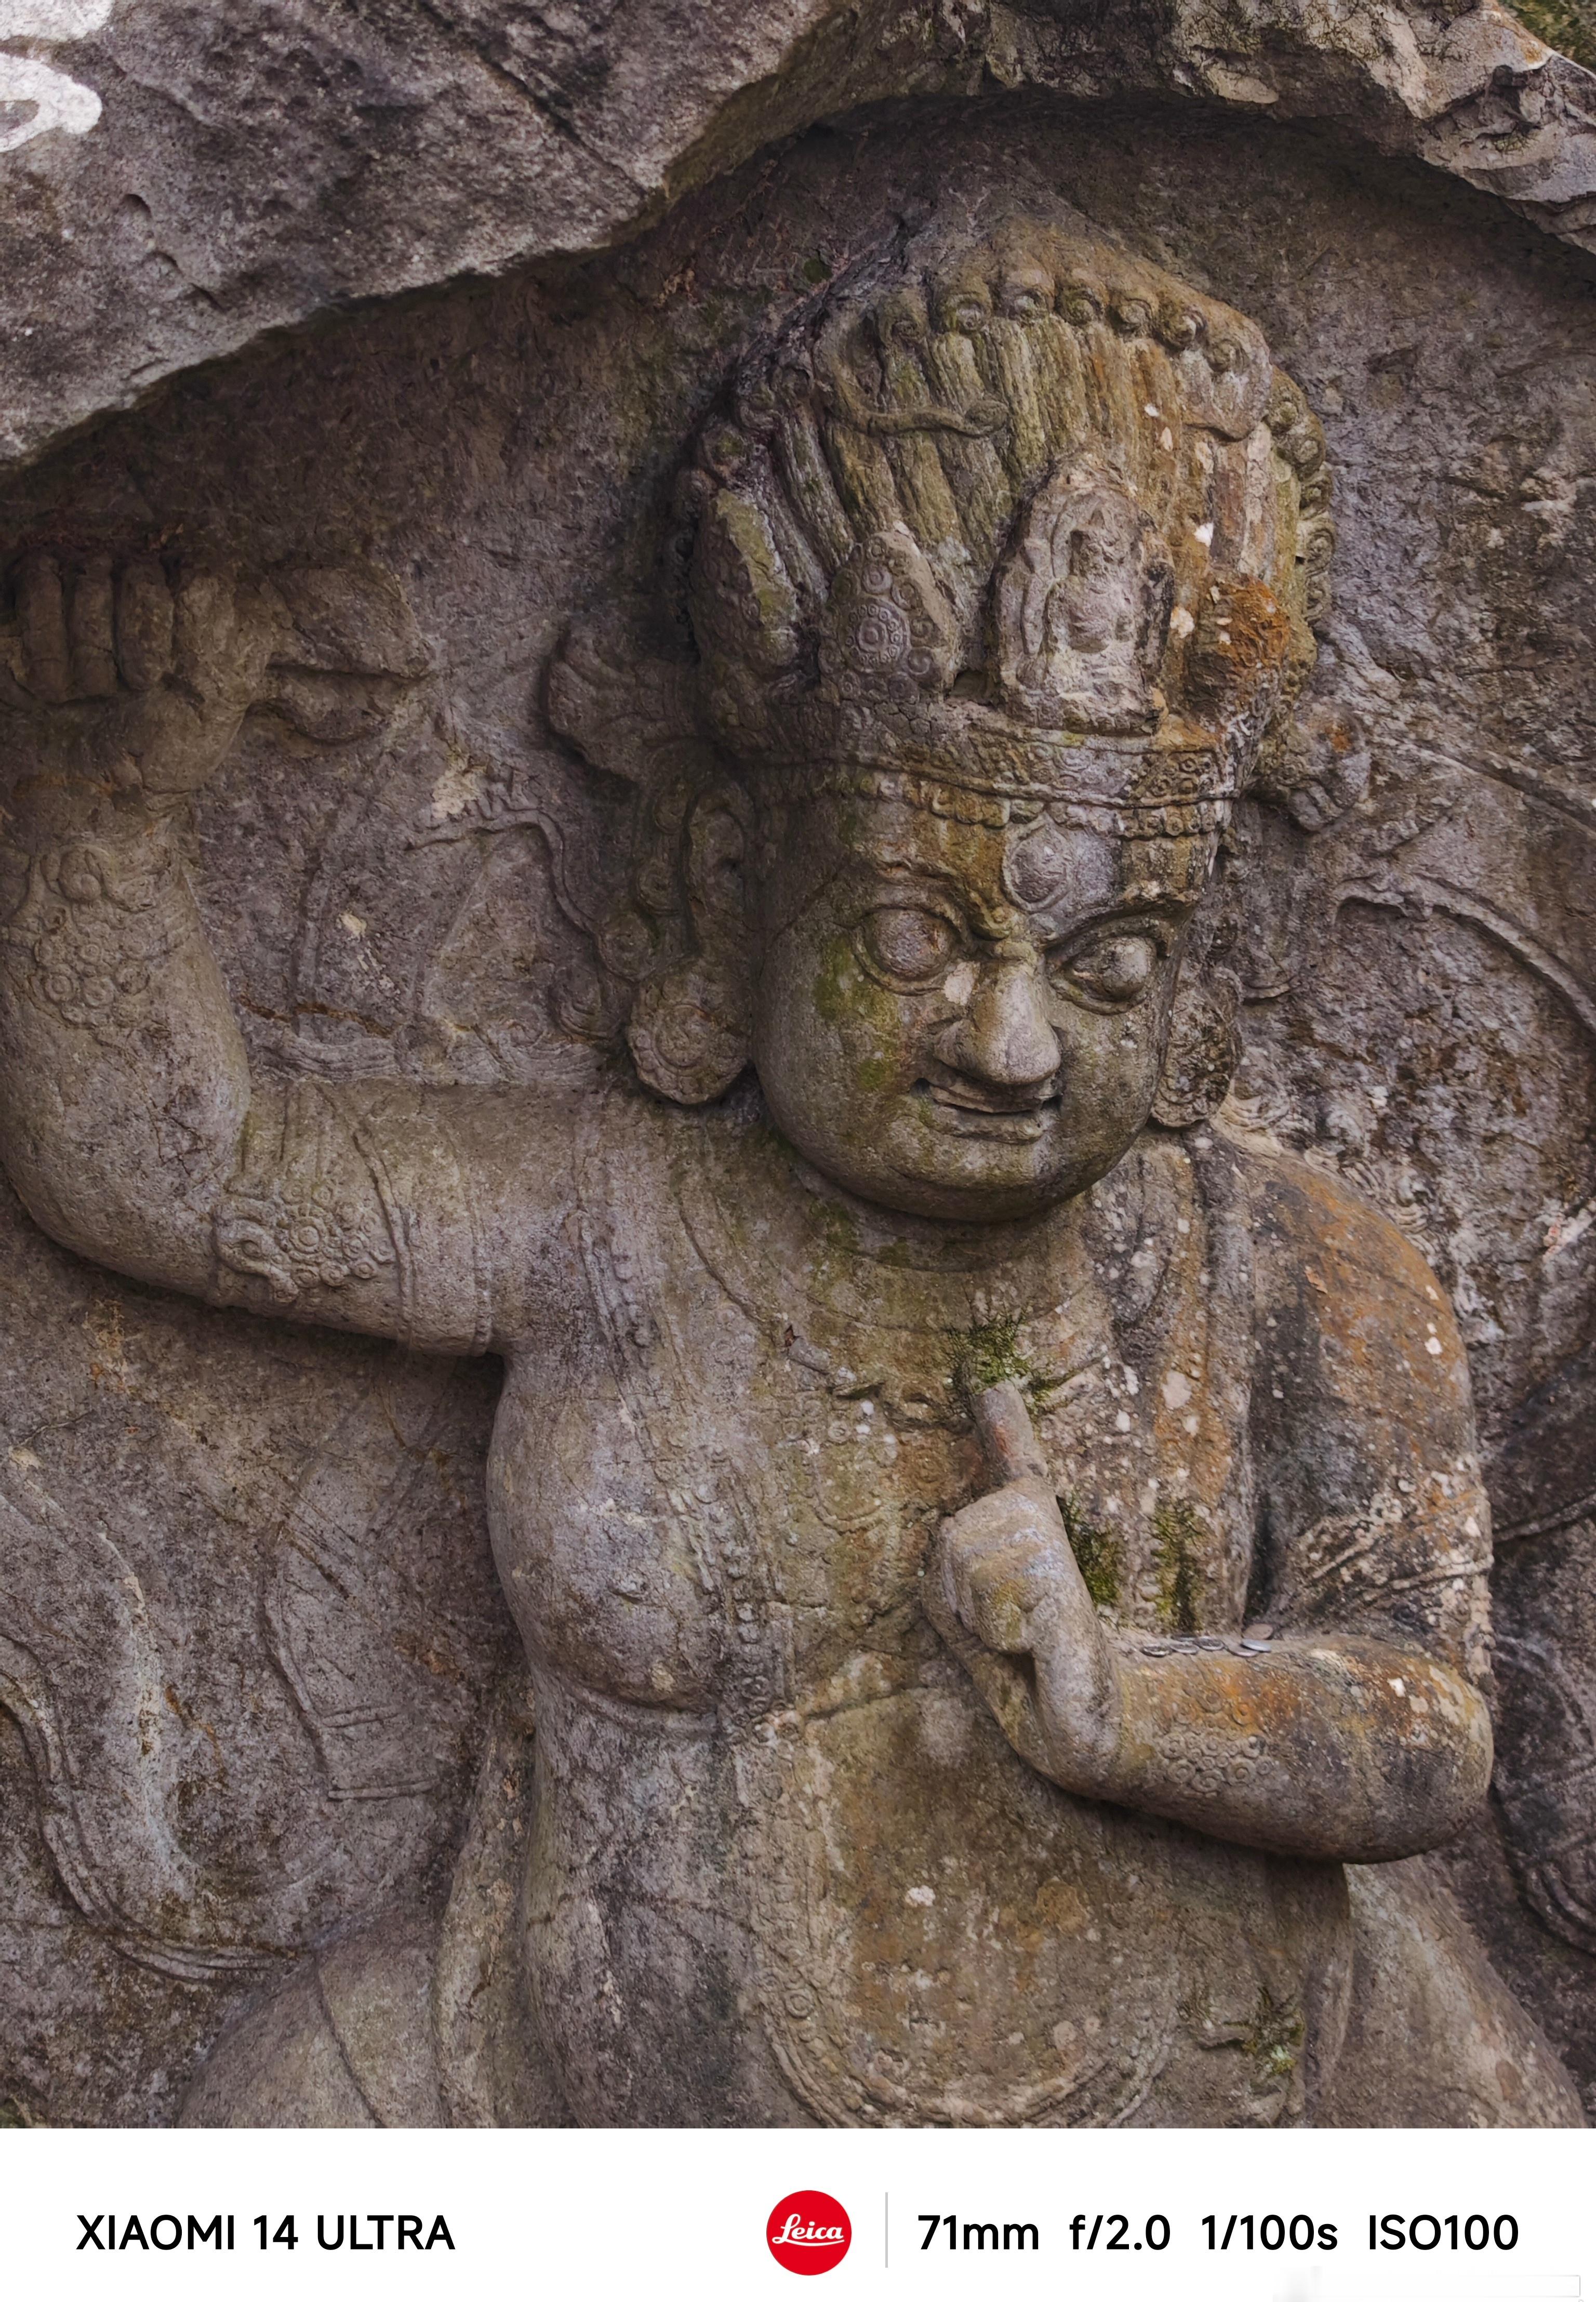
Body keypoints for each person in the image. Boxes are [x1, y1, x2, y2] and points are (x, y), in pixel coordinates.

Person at [0, 209, 1577, 2127]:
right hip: (547, 2087)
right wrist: (103, 813)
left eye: (1109, 967)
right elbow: (176, 1175)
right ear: (739, 894)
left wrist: (1129, 1699)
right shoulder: (608, 1219)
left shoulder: (1281, 1259)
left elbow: (1423, 1720)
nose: (1012, 1045)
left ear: (1201, 969)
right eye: (914, 942)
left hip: (1241, 2107)